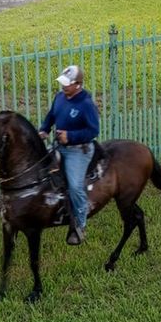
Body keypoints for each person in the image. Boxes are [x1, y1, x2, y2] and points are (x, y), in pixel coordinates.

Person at [38, 65, 100, 245]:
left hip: (79, 150)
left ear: (78, 84)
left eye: (67, 84)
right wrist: (44, 130)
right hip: (59, 145)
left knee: (74, 186)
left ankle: (80, 225)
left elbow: (93, 130)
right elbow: (51, 116)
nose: (63, 87)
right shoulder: (59, 97)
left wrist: (70, 136)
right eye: (62, 83)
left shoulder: (86, 104)